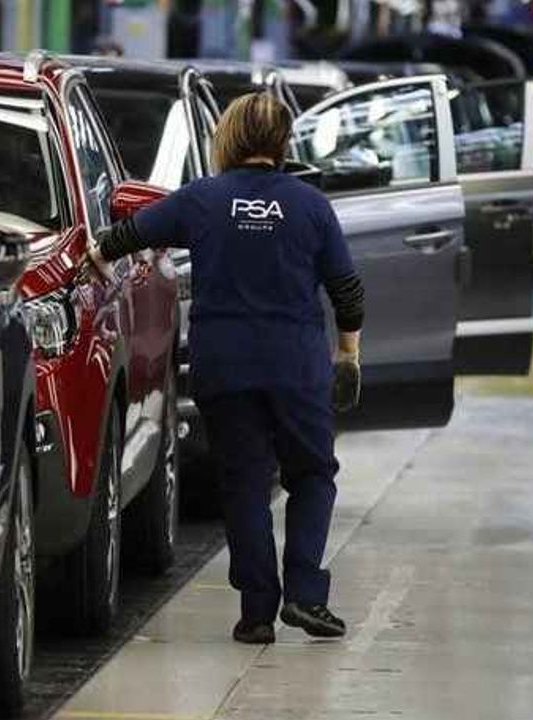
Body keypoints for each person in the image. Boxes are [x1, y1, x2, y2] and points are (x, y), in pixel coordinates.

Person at [83, 92, 364, 644]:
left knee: (244, 483)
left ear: (229, 137)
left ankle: (257, 612)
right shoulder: (310, 205)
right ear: (283, 142)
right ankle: (305, 594)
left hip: (225, 365)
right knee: (312, 474)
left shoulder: (203, 199)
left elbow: (127, 235)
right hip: (295, 365)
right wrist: (348, 355)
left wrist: (96, 259)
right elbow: (347, 290)